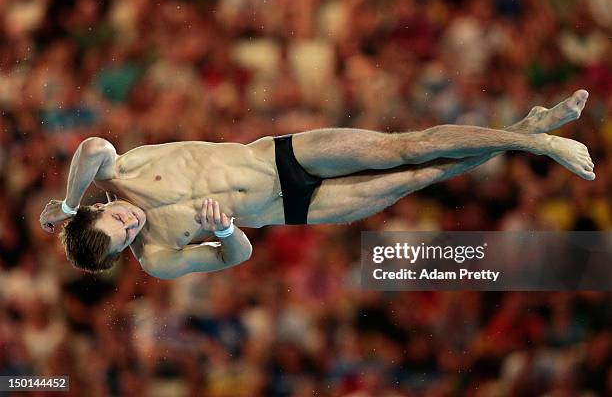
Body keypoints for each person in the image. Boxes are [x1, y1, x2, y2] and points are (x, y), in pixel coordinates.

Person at [39, 90, 594, 279]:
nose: (130, 223)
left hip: (279, 158)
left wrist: (65, 204)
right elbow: (237, 257)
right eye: (123, 237)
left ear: (98, 207)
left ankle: (539, 143)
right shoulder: (156, 256)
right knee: (420, 176)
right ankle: (524, 131)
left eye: (115, 219)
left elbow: (90, 148)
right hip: (299, 210)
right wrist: (228, 230)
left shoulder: (120, 171)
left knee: (402, 147)